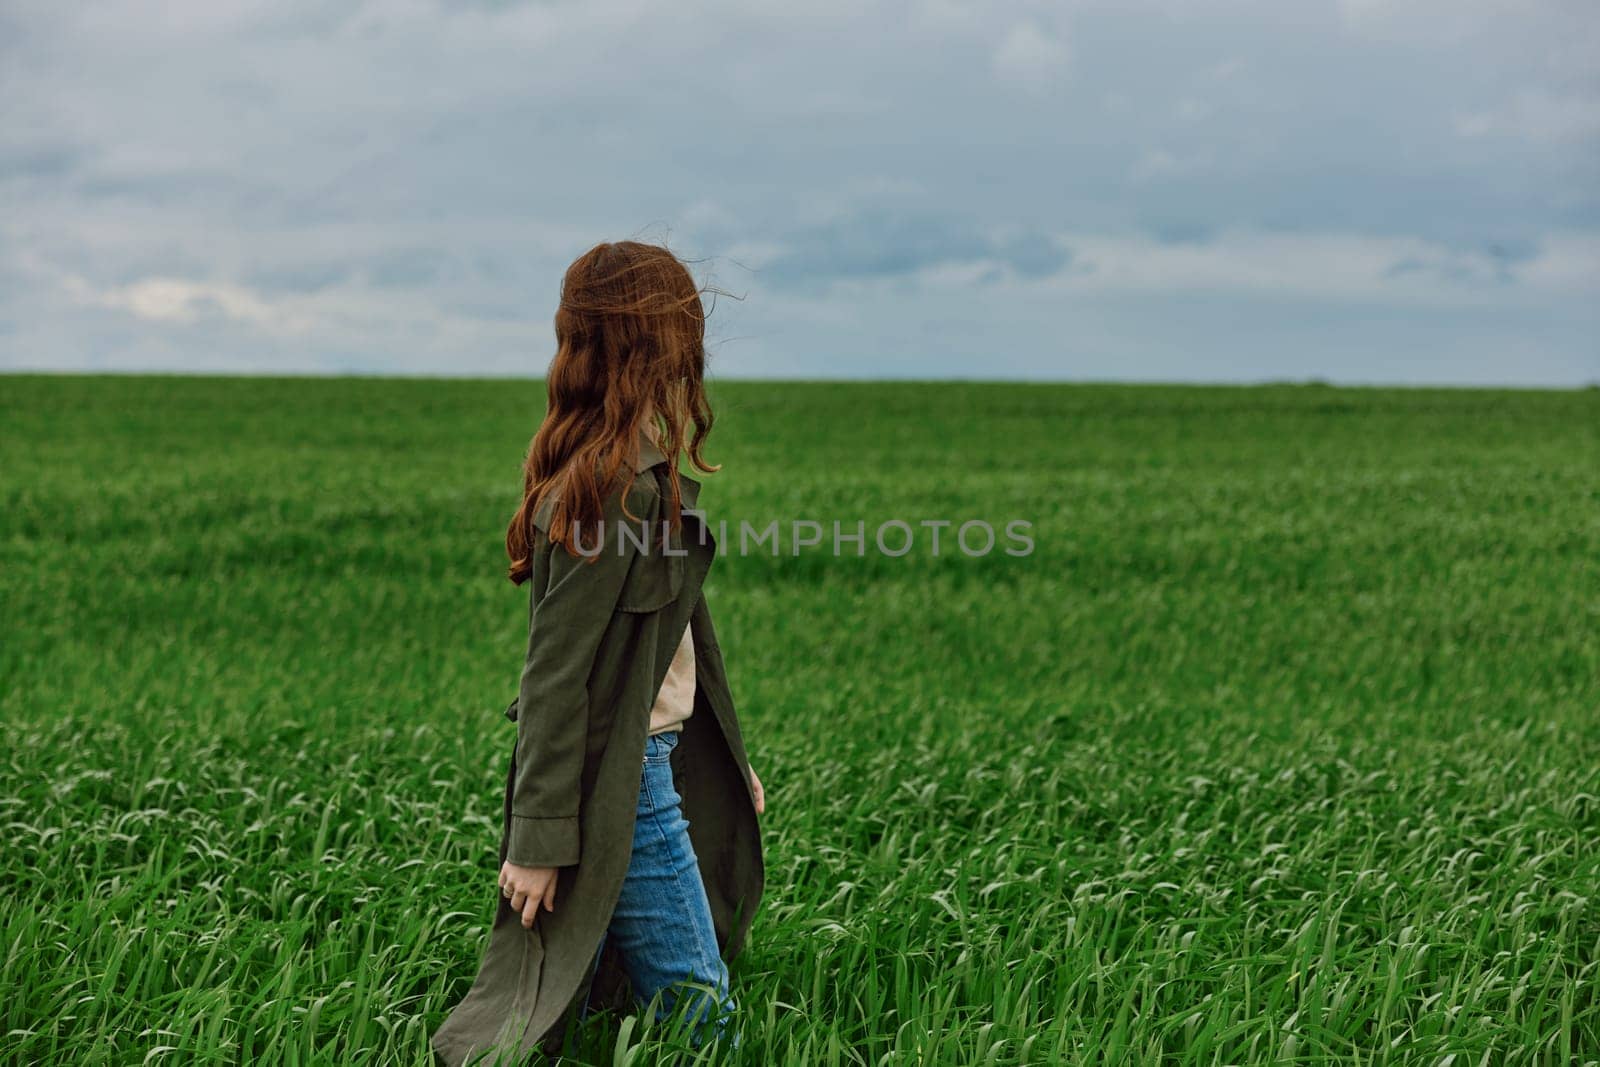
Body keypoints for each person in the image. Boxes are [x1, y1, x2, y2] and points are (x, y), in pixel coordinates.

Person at [430, 241, 766, 1065]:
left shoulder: (647, 478)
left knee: (628, 987)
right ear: (653, 345)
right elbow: (554, 676)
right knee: (702, 1017)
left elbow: (688, 633)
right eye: (684, 333)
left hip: (659, 757)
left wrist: (734, 757)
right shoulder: (609, 489)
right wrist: (537, 840)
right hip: (627, 778)